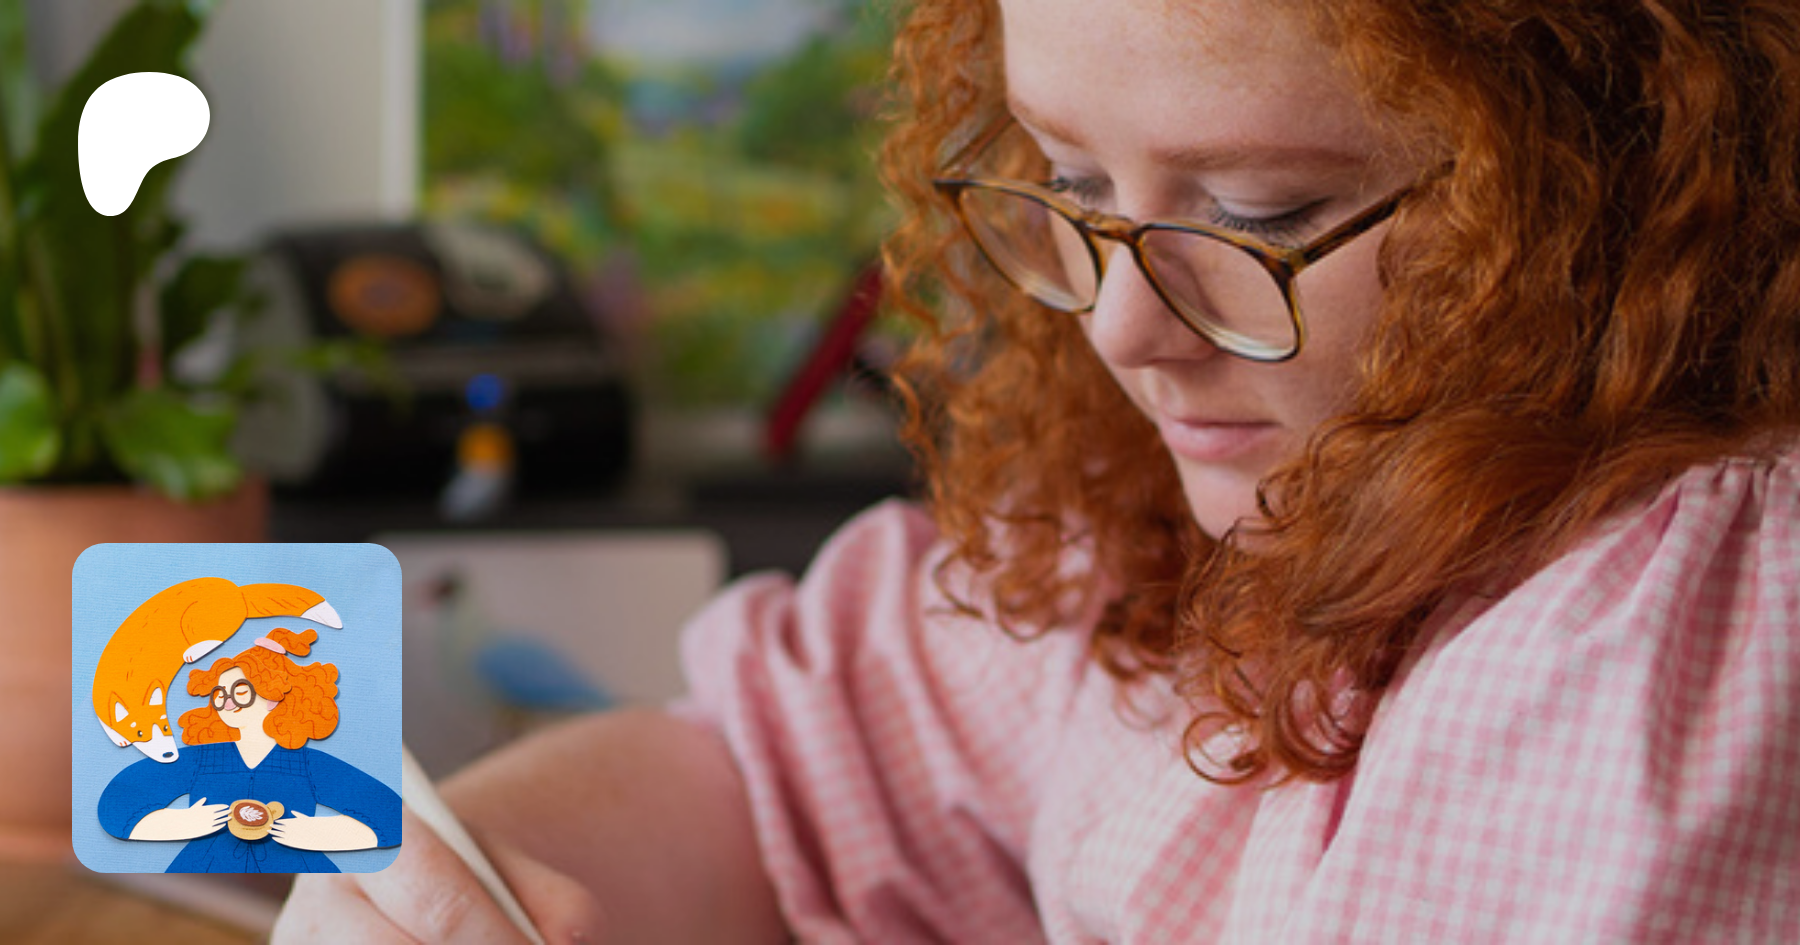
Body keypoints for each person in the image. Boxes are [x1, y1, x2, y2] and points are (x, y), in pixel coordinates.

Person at [275, 0, 1800, 939]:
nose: (1123, 324)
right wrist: (457, 887)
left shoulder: (1685, 628)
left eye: (1260, 212)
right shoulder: (1173, 510)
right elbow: (774, 774)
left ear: (1601, 184)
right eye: (1069, 182)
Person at [99, 628, 402, 873]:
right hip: (208, 869)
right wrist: (181, 823)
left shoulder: (307, 764)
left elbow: (392, 817)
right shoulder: (204, 758)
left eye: (241, 692)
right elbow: (118, 805)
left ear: (274, 694)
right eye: (220, 694)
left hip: (292, 869)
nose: (228, 702)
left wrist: (319, 833)